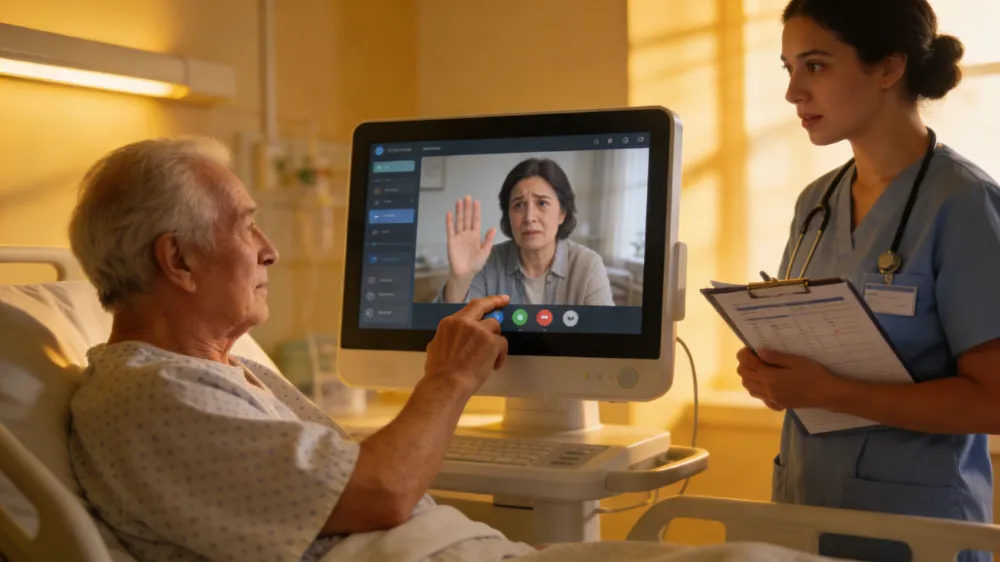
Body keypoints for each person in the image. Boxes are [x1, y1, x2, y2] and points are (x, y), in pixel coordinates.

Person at [66, 137, 832, 562]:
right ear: (177, 260)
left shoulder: (212, 371)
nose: (268, 249)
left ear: (564, 213)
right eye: (245, 226)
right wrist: (449, 376)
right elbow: (379, 492)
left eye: (542, 203)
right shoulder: (148, 396)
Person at [736, 1, 1000, 561]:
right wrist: (772, 375)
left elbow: (995, 401)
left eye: (815, 65)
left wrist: (830, 393)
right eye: (789, 69)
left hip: (919, 528)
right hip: (806, 507)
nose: (793, 93)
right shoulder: (816, 204)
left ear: (888, 68)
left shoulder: (965, 205)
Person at [437, 157, 614, 306]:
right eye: (519, 205)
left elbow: (604, 334)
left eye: (542, 203)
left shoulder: (588, 265)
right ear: (508, 214)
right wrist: (460, 279)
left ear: (562, 214)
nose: (529, 217)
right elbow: (453, 330)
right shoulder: (487, 263)